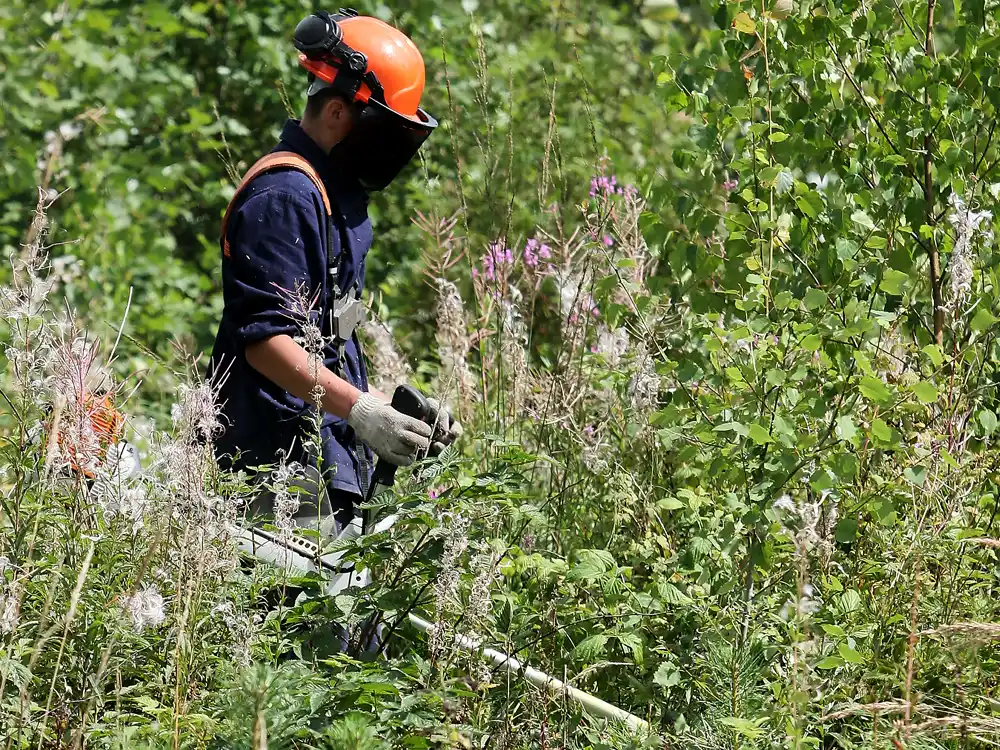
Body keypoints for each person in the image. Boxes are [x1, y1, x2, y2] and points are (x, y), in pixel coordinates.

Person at [208, 10, 459, 541]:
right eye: (389, 133)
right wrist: (361, 410)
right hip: (275, 474)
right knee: (292, 619)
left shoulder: (327, 191)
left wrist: (393, 413)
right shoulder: (284, 195)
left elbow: (320, 340)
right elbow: (265, 342)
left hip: (321, 456)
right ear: (342, 111)